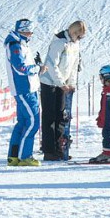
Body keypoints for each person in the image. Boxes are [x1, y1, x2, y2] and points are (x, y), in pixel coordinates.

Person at [39, 20, 86, 161]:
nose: (80, 39)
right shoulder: (59, 43)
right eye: (79, 36)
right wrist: (61, 83)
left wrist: (70, 83)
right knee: (50, 117)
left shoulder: (75, 45)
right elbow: (51, 65)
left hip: (63, 84)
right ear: (74, 32)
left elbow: (73, 66)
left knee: (61, 116)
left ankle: (60, 148)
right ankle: (49, 150)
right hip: (49, 82)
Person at [5, 19, 47, 166]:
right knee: (33, 123)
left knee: (23, 123)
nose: (31, 34)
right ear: (23, 31)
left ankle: (14, 156)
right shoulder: (15, 45)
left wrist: (36, 66)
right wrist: (37, 69)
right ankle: (25, 156)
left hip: (29, 88)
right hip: (24, 89)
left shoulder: (21, 44)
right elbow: (20, 68)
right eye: (29, 31)